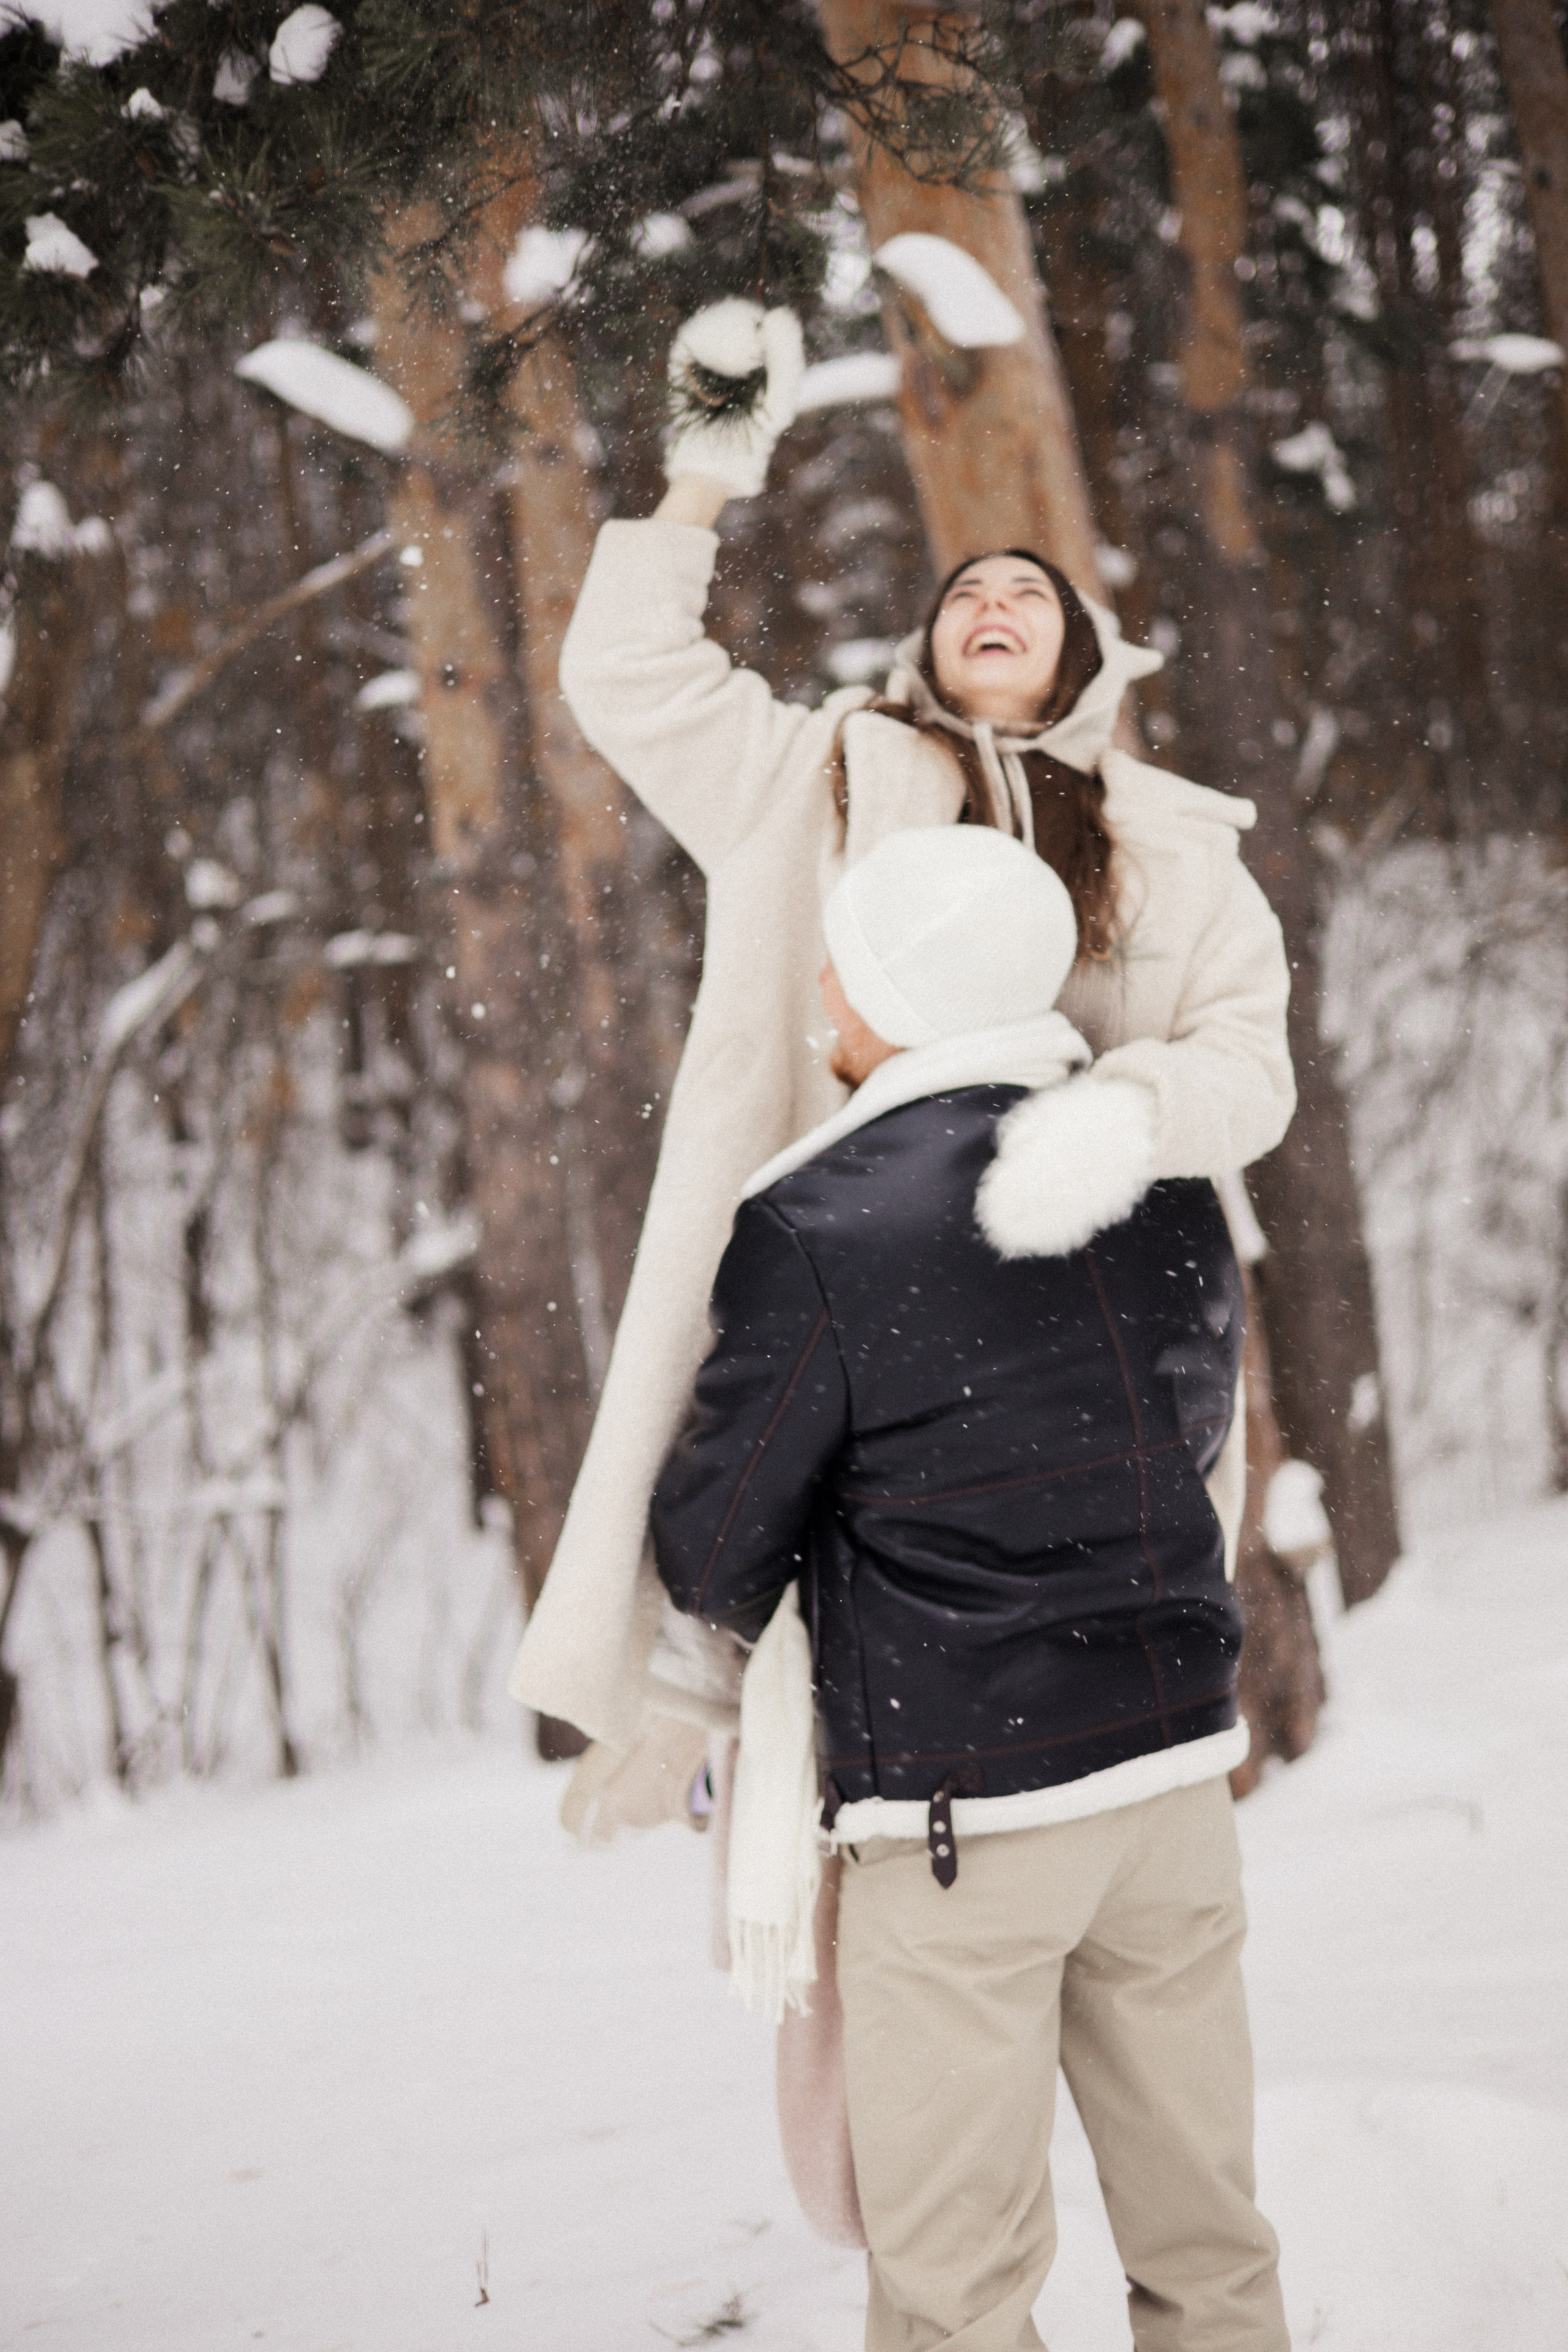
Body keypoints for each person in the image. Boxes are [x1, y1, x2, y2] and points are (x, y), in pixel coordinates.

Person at [508, 296, 1294, 1784]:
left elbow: (1247, 1074)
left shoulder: (1177, 848)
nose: (991, 598)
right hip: (849, 1305)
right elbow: (624, 677)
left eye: (1030, 592)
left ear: (1084, 657)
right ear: (928, 641)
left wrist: (1123, 1117)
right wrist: (701, 479)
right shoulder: (810, 775)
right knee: (816, 1712)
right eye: (965, 591)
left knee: (1073, 1711)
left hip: (1083, 1337)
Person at [651, 826, 1288, 2352]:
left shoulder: (814, 1220)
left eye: (842, 956)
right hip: (1172, 1780)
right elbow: (1187, 1438)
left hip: (961, 1822)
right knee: (1206, 2246)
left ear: (897, 989)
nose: (815, 982)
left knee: (952, 2289)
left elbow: (716, 1538)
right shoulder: (1159, 1168)